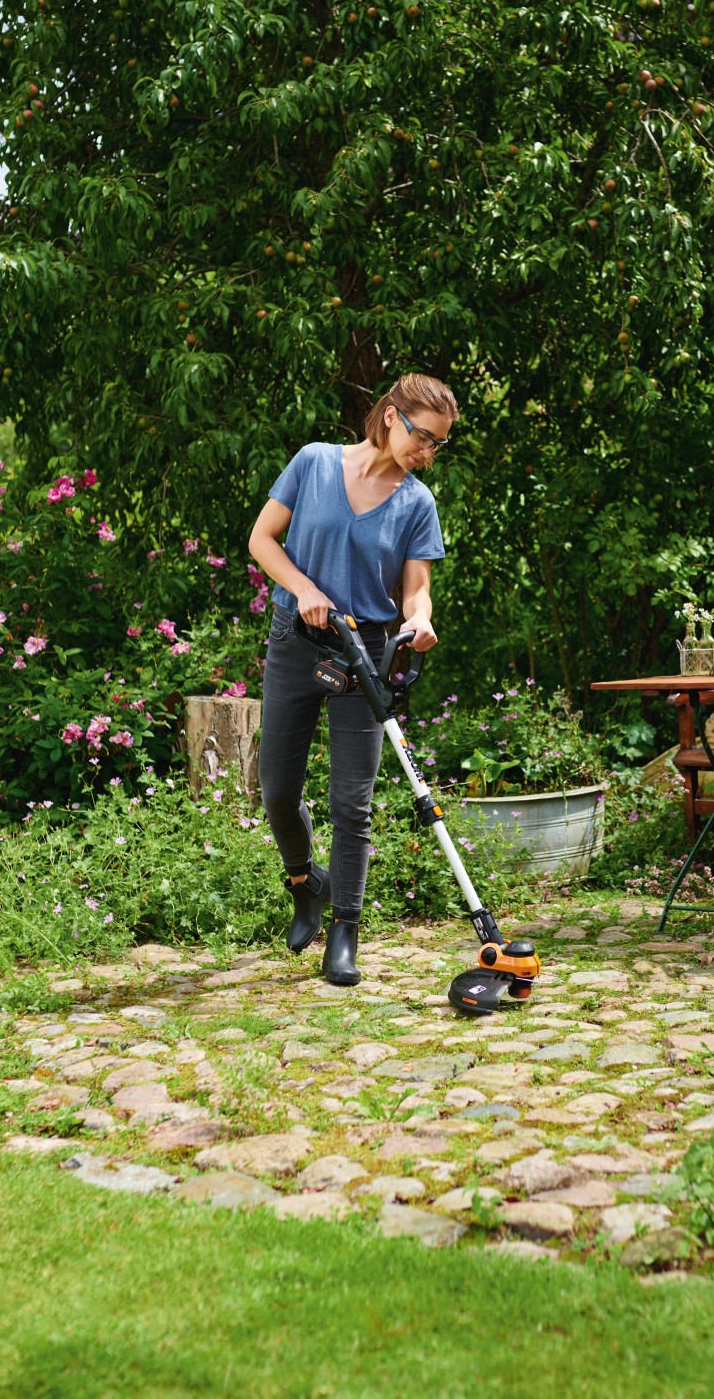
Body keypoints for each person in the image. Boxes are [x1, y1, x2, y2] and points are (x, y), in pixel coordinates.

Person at [247, 374, 454, 986]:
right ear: (390, 417)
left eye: (438, 444)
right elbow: (262, 539)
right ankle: (305, 880)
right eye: (422, 436)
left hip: (366, 652)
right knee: (277, 790)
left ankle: (345, 932)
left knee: (351, 803)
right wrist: (305, 589)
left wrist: (419, 621)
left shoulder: (417, 502)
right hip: (295, 640)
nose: (427, 452)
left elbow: (416, 591)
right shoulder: (313, 463)